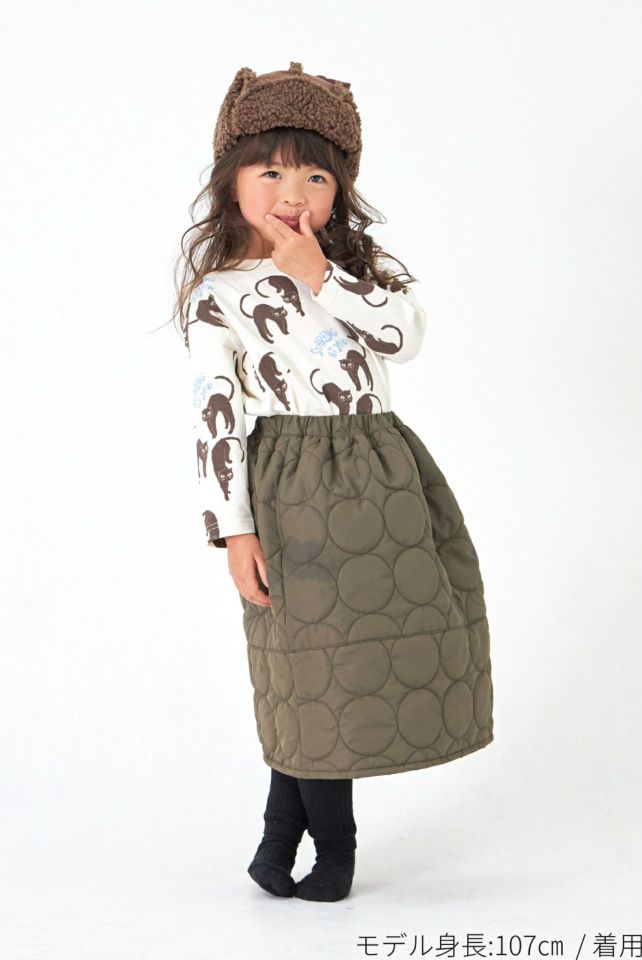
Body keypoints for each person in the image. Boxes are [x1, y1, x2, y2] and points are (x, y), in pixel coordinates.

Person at [173, 61, 494, 903]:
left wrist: (322, 275)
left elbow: (405, 337)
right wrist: (233, 529)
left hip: (381, 477)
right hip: (290, 487)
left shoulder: (351, 270)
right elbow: (214, 415)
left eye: (316, 176)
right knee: (302, 671)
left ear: (340, 189)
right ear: (231, 180)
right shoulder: (219, 296)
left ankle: (282, 844)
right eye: (271, 172)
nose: (293, 194)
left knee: (331, 674)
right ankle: (324, 848)